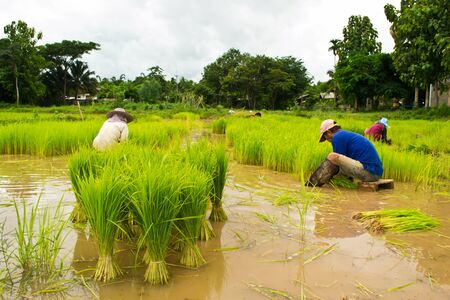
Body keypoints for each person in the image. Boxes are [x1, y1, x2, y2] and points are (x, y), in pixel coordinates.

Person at [306, 119, 383, 186]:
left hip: (369, 172)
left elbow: (335, 161)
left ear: (328, 132)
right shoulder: (344, 135)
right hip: (375, 173)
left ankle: (312, 183)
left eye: (325, 137)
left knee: (332, 156)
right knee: (336, 171)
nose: (327, 140)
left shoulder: (337, 137)